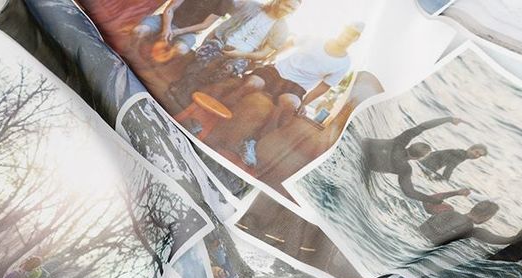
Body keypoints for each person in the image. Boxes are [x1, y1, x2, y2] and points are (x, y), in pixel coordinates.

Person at [236, 22, 365, 167]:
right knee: (252, 84)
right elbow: (290, 43)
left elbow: (324, 86)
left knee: (291, 105)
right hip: (277, 70)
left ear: (356, 39)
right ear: (342, 29)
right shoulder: (317, 38)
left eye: (352, 35)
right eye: (347, 31)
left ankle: (252, 142)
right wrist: (270, 58)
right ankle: (227, 112)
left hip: (297, 86)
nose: (347, 36)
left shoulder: (344, 63)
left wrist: (304, 103)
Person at [173, 0, 298, 104]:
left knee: (229, 69)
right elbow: (223, 10)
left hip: (243, 56)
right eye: (287, 5)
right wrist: (209, 38)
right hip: (221, 42)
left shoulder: (282, 29)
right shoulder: (252, 6)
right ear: (278, 1)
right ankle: (183, 89)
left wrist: (240, 54)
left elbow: (263, 54)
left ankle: (193, 95)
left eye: (292, 9)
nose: (288, 10)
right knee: (207, 57)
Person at [361, 116, 470, 204]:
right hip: (363, 165)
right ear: (419, 158)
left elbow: (423, 126)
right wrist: (433, 200)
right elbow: (409, 192)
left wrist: (449, 119)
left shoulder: (399, 142)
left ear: (411, 144)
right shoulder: (404, 169)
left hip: (361, 145)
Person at [132, 0, 237, 59]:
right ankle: (132, 54)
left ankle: (155, 63)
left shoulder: (225, 2)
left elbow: (204, 25)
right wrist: (166, 28)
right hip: (165, 20)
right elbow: (170, 9)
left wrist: (178, 32)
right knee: (139, 30)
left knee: (181, 49)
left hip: (188, 31)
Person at [418, 200, 510, 246]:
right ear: (487, 217)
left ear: (473, 208)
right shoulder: (472, 230)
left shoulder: (448, 212)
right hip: (426, 246)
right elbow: (506, 240)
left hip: (416, 237)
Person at [420, 144, 488, 181]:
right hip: (425, 166)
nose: (476, 156)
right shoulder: (460, 156)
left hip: (423, 163)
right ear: (470, 149)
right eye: (476, 152)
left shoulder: (460, 153)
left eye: (480, 155)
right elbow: (447, 173)